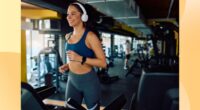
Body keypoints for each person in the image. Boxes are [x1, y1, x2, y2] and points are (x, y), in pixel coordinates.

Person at [59, 2, 106, 110]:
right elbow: (73, 59)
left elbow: (103, 63)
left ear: (82, 16)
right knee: (70, 108)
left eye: (73, 14)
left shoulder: (90, 36)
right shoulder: (68, 36)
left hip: (88, 82)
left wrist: (80, 58)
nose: (68, 17)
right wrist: (67, 65)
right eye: (67, 14)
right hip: (72, 80)